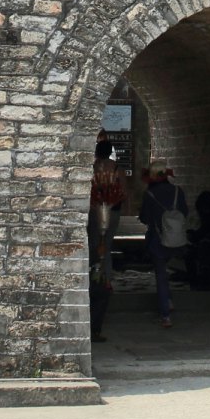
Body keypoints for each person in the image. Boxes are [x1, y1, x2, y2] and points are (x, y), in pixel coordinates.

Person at [138, 162, 187, 328]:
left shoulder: (150, 195)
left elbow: (144, 218)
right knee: (165, 272)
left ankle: (165, 314)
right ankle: (169, 300)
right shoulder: (177, 192)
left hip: (158, 240)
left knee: (160, 275)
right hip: (176, 239)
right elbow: (184, 212)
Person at [86, 142, 126, 340]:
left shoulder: (92, 168)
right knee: (106, 244)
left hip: (94, 210)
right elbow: (123, 191)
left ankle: (94, 271)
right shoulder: (116, 169)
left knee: (94, 242)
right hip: (113, 210)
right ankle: (105, 277)